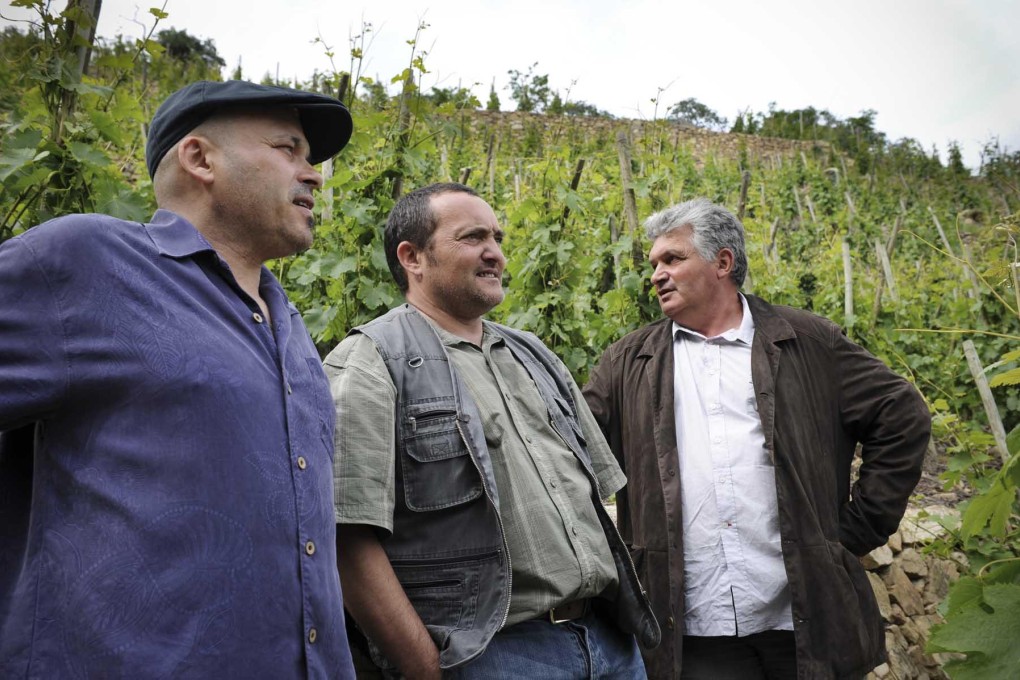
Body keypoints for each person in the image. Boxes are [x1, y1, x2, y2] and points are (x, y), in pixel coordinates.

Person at [0, 80, 358, 678]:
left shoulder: (292, 329)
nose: (314, 174)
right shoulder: (89, 263)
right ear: (200, 159)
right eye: (288, 148)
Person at [582, 198, 931, 679]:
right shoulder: (627, 362)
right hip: (691, 623)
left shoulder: (807, 341)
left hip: (803, 616)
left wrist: (859, 528)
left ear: (722, 262)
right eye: (654, 264)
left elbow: (902, 414)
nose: (657, 274)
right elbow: (572, 450)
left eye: (673, 259)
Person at [324, 182, 660, 679]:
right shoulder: (371, 363)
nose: (495, 254)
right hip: (494, 657)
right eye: (473, 237)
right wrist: (424, 669)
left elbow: (597, 497)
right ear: (412, 257)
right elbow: (346, 540)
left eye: (498, 238)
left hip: (609, 644)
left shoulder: (534, 354)